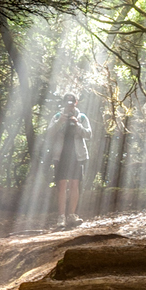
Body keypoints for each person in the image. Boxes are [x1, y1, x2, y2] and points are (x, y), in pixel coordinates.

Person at [47, 93, 92, 229]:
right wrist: (61, 121)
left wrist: (76, 123)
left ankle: (71, 215)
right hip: (61, 155)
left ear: (76, 103)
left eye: (72, 103)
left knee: (74, 184)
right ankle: (61, 217)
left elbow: (89, 134)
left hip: (77, 155)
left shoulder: (82, 117)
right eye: (67, 103)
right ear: (64, 103)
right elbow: (49, 133)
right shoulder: (57, 117)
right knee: (61, 185)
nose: (69, 105)